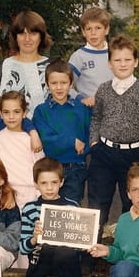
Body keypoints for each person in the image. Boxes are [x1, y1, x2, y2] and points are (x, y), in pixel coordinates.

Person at [0, 157, 100, 277]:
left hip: (67, 261)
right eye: (44, 183)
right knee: (47, 247)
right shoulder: (30, 209)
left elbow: (79, 247)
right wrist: (34, 238)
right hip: (40, 260)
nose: (50, 187)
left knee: (62, 250)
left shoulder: (72, 207)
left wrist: (86, 238)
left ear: (62, 182)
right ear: (36, 184)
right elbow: (23, 248)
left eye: (54, 182)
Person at [88, 35, 139, 227]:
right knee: (98, 202)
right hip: (104, 153)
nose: (123, 64)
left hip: (134, 155)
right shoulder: (103, 89)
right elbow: (96, 117)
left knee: (133, 202)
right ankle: (93, 242)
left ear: (135, 62)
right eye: (117, 60)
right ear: (109, 63)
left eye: (127, 59)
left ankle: (131, 242)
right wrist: (94, 143)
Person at [33, 60, 91, 204]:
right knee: (50, 206)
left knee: (71, 206)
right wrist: (71, 141)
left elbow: (89, 135)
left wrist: (83, 150)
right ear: (47, 85)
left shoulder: (81, 109)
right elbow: (46, 138)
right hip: (50, 170)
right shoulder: (41, 111)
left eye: (63, 83)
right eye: (54, 83)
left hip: (75, 168)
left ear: (71, 84)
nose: (59, 87)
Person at [0, 10, 52, 116]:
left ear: (41, 37)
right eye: (22, 33)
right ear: (15, 37)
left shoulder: (52, 68)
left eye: (33, 33)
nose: (27, 39)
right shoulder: (1, 68)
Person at [0, 91, 45, 209]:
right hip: (7, 193)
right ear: (0, 114)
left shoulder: (32, 139)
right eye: (6, 112)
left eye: (16, 112)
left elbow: (40, 168)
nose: (11, 117)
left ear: (24, 113)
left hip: (31, 193)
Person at [68, 7, 113, 106]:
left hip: (114, 110)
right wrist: (82, 99)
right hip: (88, 110)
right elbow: (65, 85)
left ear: (106, 30)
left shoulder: (115, 53)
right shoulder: (78, 57)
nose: (93, 33)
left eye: (98, 28)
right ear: (83, 32)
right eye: (89, 29)